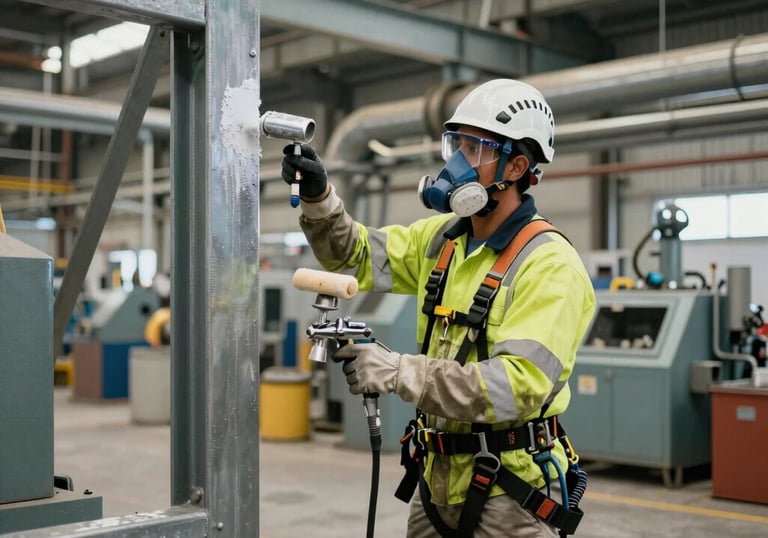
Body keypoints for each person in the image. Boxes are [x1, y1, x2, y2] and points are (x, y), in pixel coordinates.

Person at [281, 79, 596, 538]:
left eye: (475, 149)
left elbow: (515, 388)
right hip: (435, 482)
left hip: (509, 494)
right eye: (457, 145)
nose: (456, 163)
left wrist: (398, 371)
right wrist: (318, 197)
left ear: (517, 166)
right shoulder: (442, 239)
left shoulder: (550, 265)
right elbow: (354, 255)